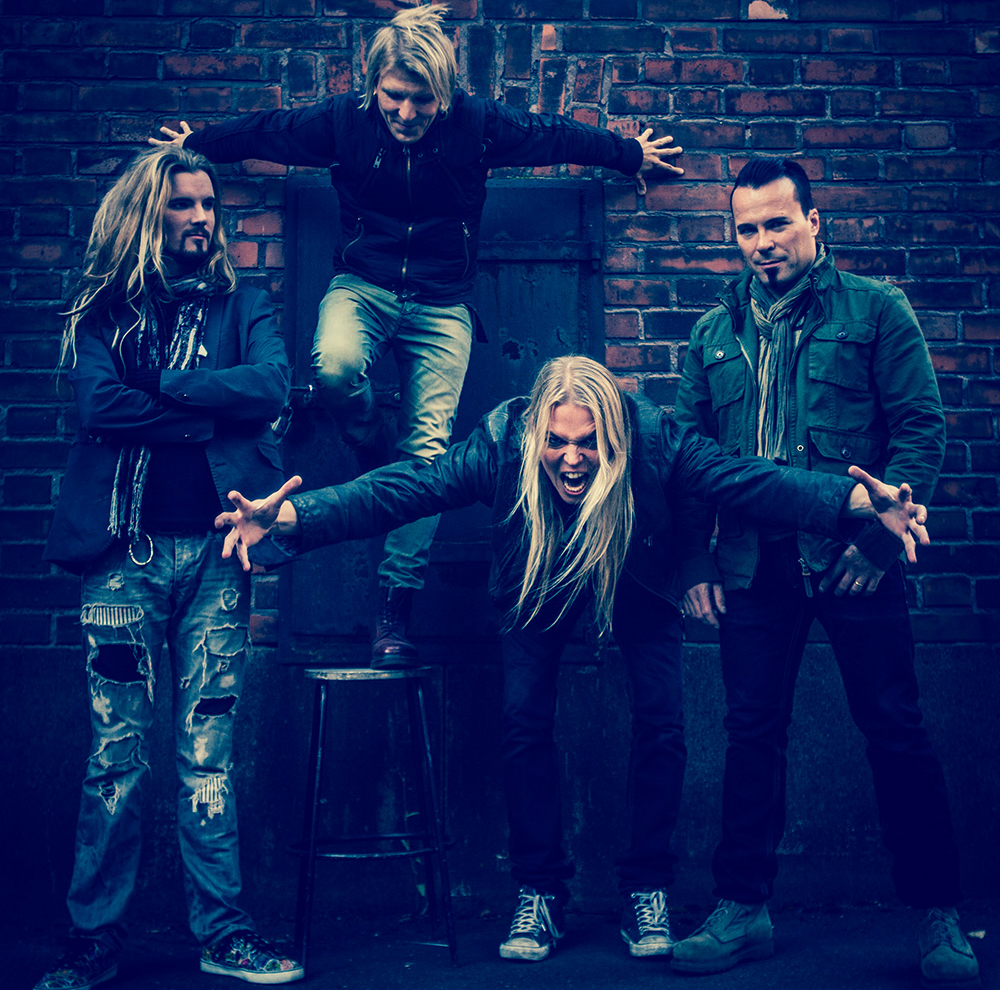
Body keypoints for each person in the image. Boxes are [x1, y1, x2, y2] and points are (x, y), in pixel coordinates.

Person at [211, 355, 929, 965]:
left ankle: (646, 888)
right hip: (539, 576)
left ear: (614, 434)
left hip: (636, 571)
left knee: (662, 721)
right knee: (524, 720)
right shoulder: (501, 440)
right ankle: (540, 891)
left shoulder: (655, 436)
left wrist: (857, 503)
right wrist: (293, 516)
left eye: (589, 443)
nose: (572, 458)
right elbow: (406, 489)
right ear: (536, 434)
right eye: (556, 442)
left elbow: (749, 480)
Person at [149, 4, 685, 670]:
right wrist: (196, 145)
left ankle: (393, 606)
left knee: (427, 455)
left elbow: (553, 136)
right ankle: (368, 435)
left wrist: (629, 154)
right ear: (374, 85)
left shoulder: (477, 126)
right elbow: (270, 132)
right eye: (394, 97)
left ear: (446, 94)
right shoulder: (343, 123)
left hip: (441, 302)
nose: (406, 113)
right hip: (363, 284)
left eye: (422, 100)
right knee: (335, 367)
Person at [670, 157, 979, 989]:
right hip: (752, 561)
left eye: (777, 223)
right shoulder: (712, 332)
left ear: (814, 222)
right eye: (747, 229)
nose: (762, 242)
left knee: (895, 729)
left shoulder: (876, 311)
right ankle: (742, 909)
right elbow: (688, 455)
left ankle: (938, 912)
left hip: (853, 560)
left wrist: (880, 539)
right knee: (750, 734)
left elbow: (920, 429)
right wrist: (694, 557)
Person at [36, 147, 303, 989]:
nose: (201, 219)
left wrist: (166, 387)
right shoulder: (103, 310)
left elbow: (271, 385)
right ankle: (93, 939)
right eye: (182, 205)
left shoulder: (243, 303)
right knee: (117, 756)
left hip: (220, 558)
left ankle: (224, 934)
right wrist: (209, 411)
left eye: (208, 204)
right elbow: (97, 404)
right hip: (123, 559)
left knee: (207, 753)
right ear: (147, 214)